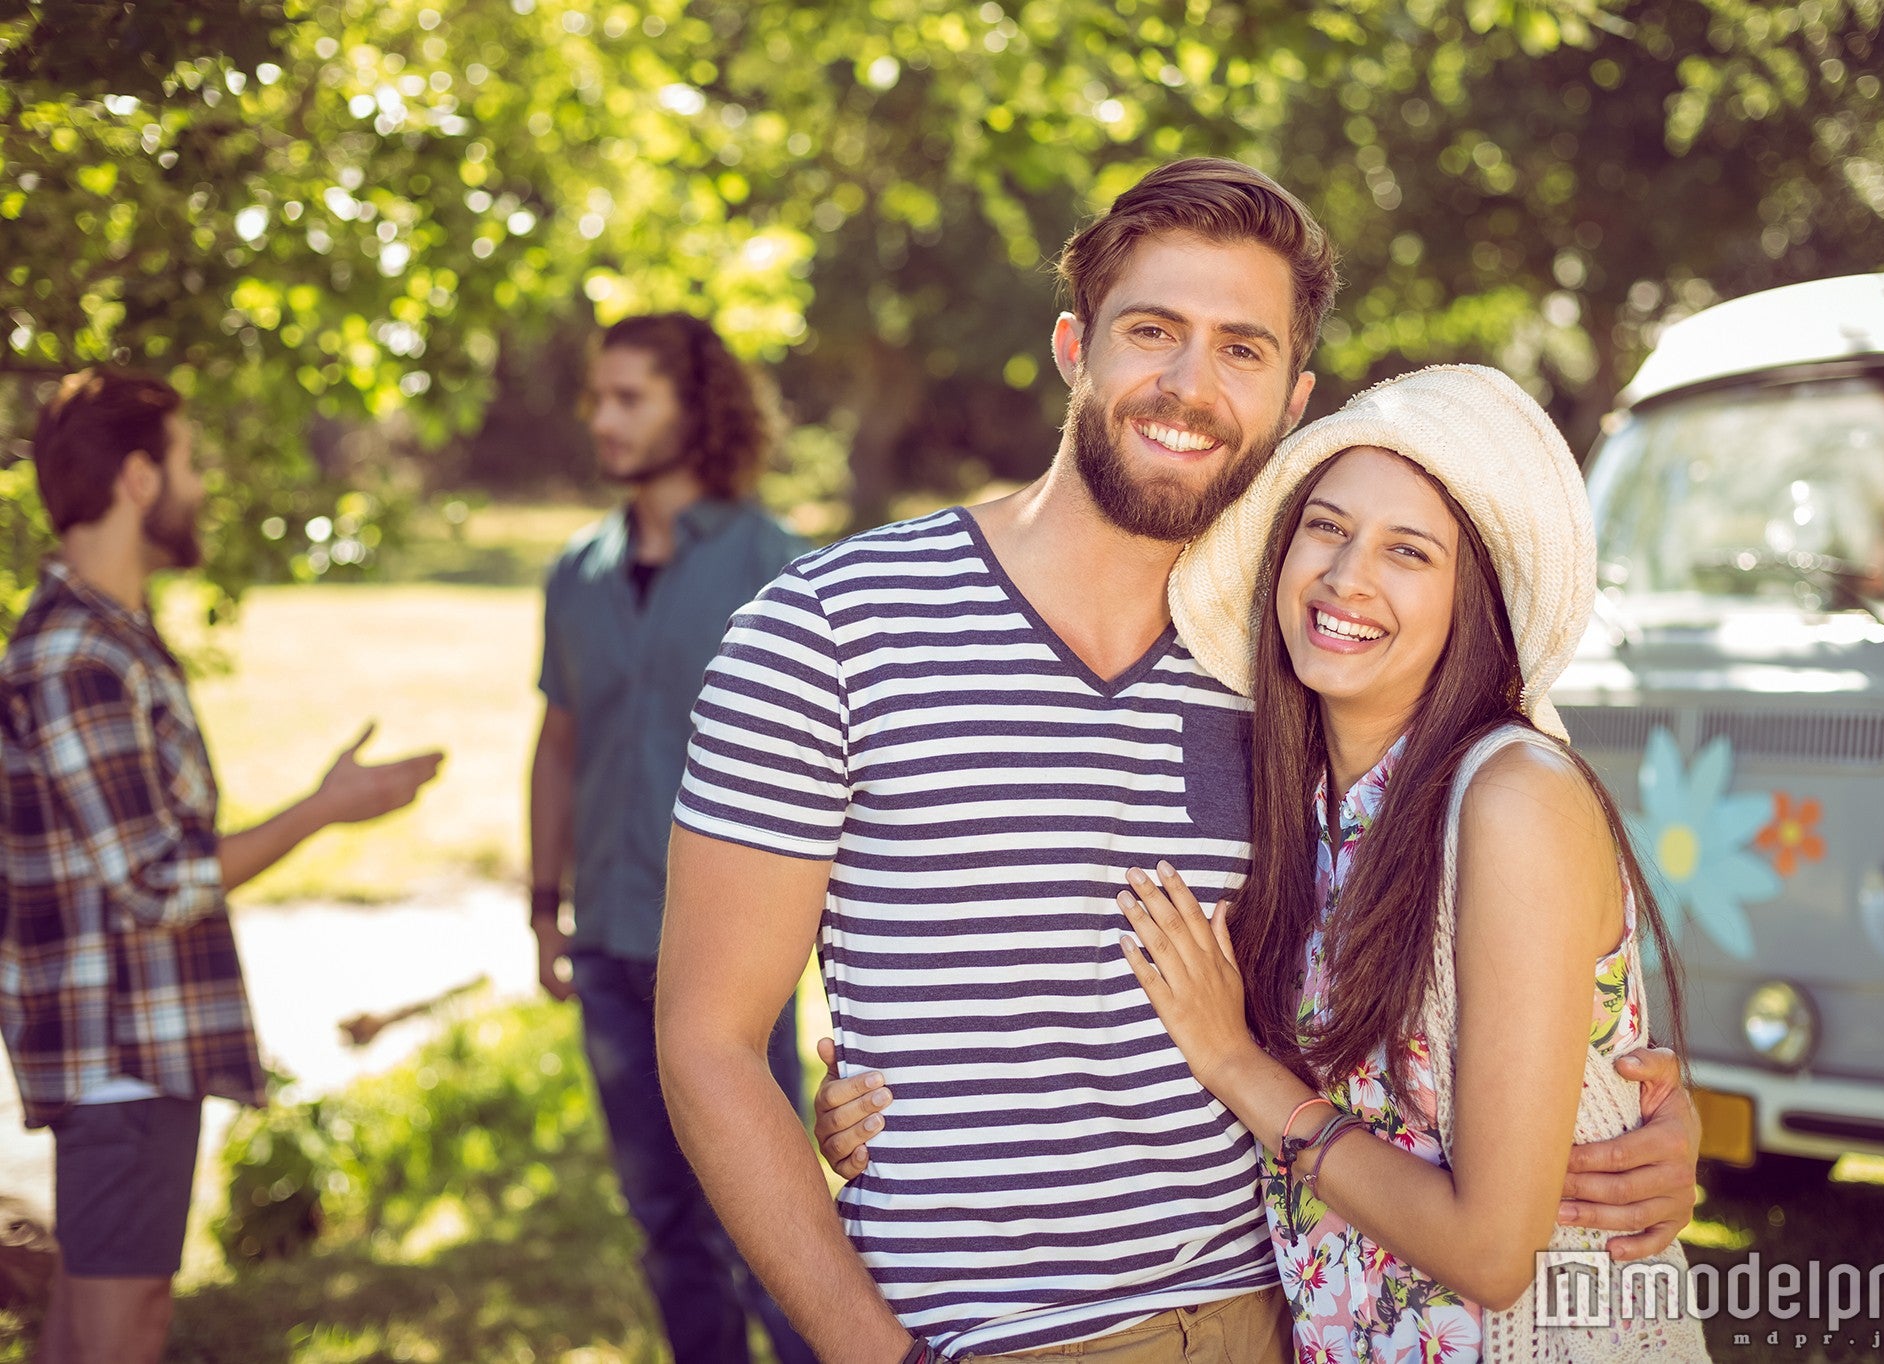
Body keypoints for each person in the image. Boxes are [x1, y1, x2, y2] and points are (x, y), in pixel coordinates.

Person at [658, 160, 1700, 1363]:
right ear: (1072, 346)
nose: (1188, 385)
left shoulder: (1293, 664)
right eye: (1152, 331)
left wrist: (1629, 1118)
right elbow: (707, 1039)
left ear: (1292, 395)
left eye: (1241, 349)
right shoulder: (829, 628)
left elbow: (1472, 925)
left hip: (1284, 1311)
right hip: (995, 1338)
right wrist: (869, 1346)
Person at [1114, 366, 1710, 1360]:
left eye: (1407, 551)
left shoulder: (1508, 795)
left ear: (1465, 602)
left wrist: (1233, 1064)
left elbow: (1490, 1251)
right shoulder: (1300, 797)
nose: (1348, 576)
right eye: (1326, 527)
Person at [0, 368, 444, 1364]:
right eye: (190, 460)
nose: (203, 484)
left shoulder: (112, 637)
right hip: (119, 1052)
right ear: (138, 478)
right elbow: (154, 880)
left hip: (136, 1046)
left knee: (94, 1318)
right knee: (123, 1324)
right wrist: (327, 809)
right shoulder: (78, 653)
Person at [528, 312, 814, 1364]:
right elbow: (559, 744)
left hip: (731, 954)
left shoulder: (780, 566)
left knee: (766, 1219)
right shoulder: (575, 571)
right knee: (662, 1222)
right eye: (597, 397)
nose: (603, 419)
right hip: (605, 944)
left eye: (629, 397)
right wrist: (540, 907)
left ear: (695, 409)